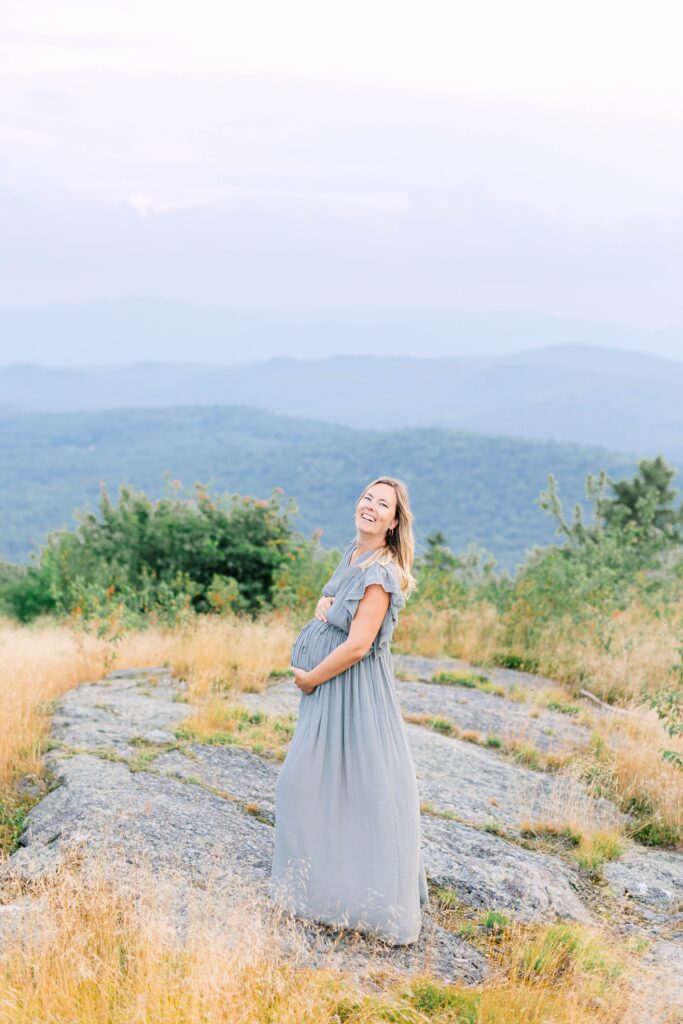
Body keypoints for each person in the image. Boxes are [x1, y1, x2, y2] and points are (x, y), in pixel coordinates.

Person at [269, 476, 428, 945]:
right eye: (367, 498)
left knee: (339, 785)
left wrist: (312, 677)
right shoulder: (355, 555)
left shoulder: (381, 572)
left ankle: (355, 896)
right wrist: (327, 600)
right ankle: (317, 886)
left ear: (394, 522)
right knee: (320, 783)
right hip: (332, 689)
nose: (371, 507)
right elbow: (342, 605)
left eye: (383, 505)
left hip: (350, 690)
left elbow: (359, 645)